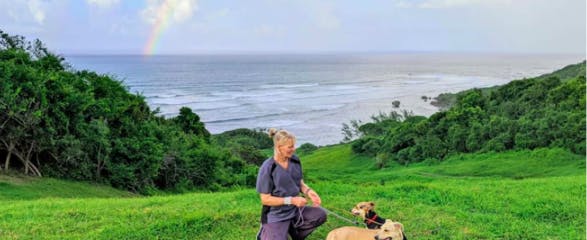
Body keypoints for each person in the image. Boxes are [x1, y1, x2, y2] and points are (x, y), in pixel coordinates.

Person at [256, 128, 327, 240]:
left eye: (294, 145)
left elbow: (299, 182)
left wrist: (308, 191)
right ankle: (267, 232)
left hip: (295, 210)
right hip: (276, 215)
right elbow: (265, 199)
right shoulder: (268, 168)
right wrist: (292, 200)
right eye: (290, 147)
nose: (294, 149)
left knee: (320, 215)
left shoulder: (295, 160)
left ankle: (293, 233)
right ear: (279, 148)